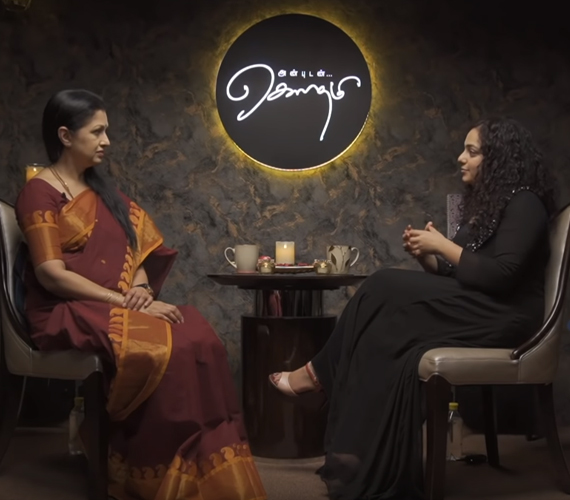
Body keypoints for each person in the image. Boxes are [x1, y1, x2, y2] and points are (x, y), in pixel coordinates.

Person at [270, 117, 556, 499]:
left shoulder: (525, 202)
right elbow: (461, 271)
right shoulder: (491, 206)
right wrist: (429, 256)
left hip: (507, 316)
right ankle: (362, 457)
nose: (461, 158)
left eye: (471, 151)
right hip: (481, 304)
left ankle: (318, 374)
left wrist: (442, 246)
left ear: (500, 158)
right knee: (382, 333)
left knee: (383, 284)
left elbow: (501, 275)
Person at [15, 89, 267, 500]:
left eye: (107, 131)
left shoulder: (103, 191)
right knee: (165, 349)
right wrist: (122, 302)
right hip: (65, 307)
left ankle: (204, 464)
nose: (107, 141)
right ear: (65, 135)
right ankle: (151, 468)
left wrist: (141, 288)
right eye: (97, 132)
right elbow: (50, 274)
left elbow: (137, 250)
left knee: (198, 337)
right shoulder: (39, 193)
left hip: (115, 303)